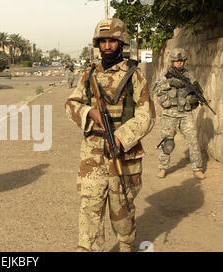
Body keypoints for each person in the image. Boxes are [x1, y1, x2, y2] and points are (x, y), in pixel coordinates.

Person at [64, 18, 156, 252]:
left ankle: (125, 245)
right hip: (93, 154)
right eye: (103, 41)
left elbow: (147, 115)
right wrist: (89, 112)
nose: (107, 46)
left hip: (123, 154)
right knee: (90, 209)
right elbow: (71, 104)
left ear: (121, 43)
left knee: (122, 211)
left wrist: (121, 137)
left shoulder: (135, 76)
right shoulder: (88, 75)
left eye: (112, 41)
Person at [154, 48, 205, 180]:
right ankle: (162, 168)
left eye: (181, 61)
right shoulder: (166, 76)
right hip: (170, 113)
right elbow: (156, 89)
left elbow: (198, 92)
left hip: (186, 113)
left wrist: (194, 99)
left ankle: (197, 168)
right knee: (168, 142)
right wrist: (168, 83)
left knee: (193, 141)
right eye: (176, 61)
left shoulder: (189, 77)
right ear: (172, 61)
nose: (179, 63)